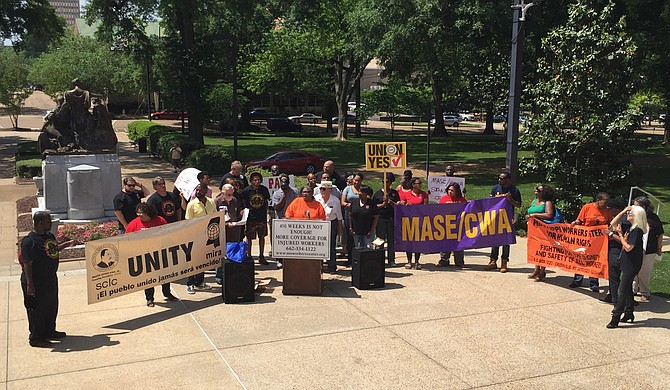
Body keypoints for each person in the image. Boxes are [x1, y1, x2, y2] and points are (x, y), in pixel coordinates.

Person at [20, 211, 74, 348]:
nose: (51, 223)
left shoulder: (48, 236)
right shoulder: (29, 241)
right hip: (35, 282)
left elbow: (53, 249)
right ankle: (36, 338)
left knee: (51, 306)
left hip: (49, 279)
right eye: (48, 221)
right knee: (37, 311)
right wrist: (30, 285)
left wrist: (66, 244)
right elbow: (27, 264)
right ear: (39, 223)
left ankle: (49, 331)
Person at [125, 203, 177, 306]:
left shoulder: (160, 220)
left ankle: (167, 293)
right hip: (144, 255)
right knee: (148, 278)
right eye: (137, 213)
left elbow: (168, 234)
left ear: (148, 213)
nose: (139, 215)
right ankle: (149, 298)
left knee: (165, 276)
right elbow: (127, 239)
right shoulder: (134, 224)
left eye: (141, 213)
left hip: (160, 253)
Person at [606, 205, 647, 328]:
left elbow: (629, 247)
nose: (628, 214)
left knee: (621, 290)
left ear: (637, 216)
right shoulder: (631, 228)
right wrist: (624, 211)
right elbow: (612, 224)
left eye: (631, 213)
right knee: (627, 287)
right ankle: (629, 312)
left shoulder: (637, 230)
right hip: (626, 261)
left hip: (632, 263)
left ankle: (615, 317)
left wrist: (618, 235)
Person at [146, 177, 181, 301]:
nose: (163, 186)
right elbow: (149, 217)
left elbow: (177, 209)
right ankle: (150, 297)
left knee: (167, 266)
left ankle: (167, 293)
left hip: (170, 234)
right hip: (157, 236)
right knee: (151, 268)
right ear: (155, 187)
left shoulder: (171, 196)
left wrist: (178, 223)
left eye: (164, 184)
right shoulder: (152, 200)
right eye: (160, 184)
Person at [570, 192, 612, 291]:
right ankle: (577, 280)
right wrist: (575, 223)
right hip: (585, 240)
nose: (606, 205)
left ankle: (594, 284)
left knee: (595, 261)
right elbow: (579, 220)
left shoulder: (607, 212)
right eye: (604, 202)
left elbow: (610, 224)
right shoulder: (587, 207)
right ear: (598, 200)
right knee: (581, 259)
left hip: (599, 242)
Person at [486, 172, 521, 273]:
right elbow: (489, 201)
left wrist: (510, 200)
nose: (500, 180)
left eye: (502, 179)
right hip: (496, 218)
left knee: (506, 241)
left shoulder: (514, 190)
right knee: (495, 240)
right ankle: (493, 261)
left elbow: (518, 205)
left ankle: (504, 262)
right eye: (499, 178)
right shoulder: (495, 188)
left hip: (507, 218)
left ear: (508, 180)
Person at [184, 183, 216, 294]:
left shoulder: (211, 202)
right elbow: (188, 221)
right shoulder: (191, 204)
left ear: (205, 191)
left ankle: (200, 282)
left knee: (203, 261)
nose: (197, 192)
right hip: (195, 237)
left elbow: (215, 217)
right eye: (196, 190)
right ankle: (190, 284)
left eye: (199, 190)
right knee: (193, 261)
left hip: (208, 236)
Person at [632, 196, 665, 302]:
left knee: (644, 271)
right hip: (634, 248)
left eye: (636, 206)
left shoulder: (653, 218)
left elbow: (660, 234)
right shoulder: (634, 216)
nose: (634, 208)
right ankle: (633, 289)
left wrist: (659, 248)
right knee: (633, 269)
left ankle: (644, 292)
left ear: (644, 207)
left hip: (649, 249)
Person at [600, 197, 629, 305]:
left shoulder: (624, 221)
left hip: (617, 251)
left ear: (617, 209)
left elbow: (624, 240)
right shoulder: (620, 219)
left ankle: (617, 300)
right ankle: (612, 295)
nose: (609, 211)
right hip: (613, 249)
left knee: (614, 276)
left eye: (610, 209)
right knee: (612, 275)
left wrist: (611, 234)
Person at [525, 184, 557, 281]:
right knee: (535, 249)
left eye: (538, 190)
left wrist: (534, 215)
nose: (536, 191)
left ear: (543, 192)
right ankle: (536, 269)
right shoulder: (534, 201)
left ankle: (542, 271)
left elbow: (549, 215)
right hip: (533, 229)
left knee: (543, 250)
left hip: (544, 230)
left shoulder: (547, 203)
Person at [214, 183, 244, 282]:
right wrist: (226, 223)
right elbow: (214, 218)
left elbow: (237, 215)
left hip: (234, 230)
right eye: (228, 194)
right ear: (222, 193)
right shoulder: (217, 201)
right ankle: (219, 276)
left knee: (233, 251)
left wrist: (241, 214)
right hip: (223, 230)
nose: (230, 196)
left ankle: (232, 273)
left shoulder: (235, 200)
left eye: (232, 194)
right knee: (222, 253)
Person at [241, 171, 271, 264]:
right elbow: (243, 202)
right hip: (251, 218)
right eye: (255, 180)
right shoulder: (247, 190)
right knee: (249, 238)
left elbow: (267, 201)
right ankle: (249, 256)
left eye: (258, 180)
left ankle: (261, 256)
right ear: (251, 181)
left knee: (262, 237)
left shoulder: (264, 189)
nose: (257, 181)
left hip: (261, 217)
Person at [269, 174, 298, 269]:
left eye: (285, 184)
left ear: (289, 183)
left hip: (292, 220)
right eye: (282, 184)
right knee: (280, 241)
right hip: (280, 219)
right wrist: (284, 196)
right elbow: (277, 207)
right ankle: (279, 260)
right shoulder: (276, 193)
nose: (284, 186)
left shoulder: (295, 191)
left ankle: (290, 260)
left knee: (291, 241)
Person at [400, 177, 428, 269]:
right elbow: (402, 205)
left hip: (419, 221)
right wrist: (405, 204)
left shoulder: (423, 194)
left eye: (420, 183)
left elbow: (425, 207)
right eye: (418, 183)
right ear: (413, 185)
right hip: (408, 221)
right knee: (409, 242)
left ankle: (417, 261)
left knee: (417, 242)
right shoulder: (407, 194)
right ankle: (409, 261)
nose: (419, 185)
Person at [316, 181, 344, 273]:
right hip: (319, 225)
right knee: (319, 246)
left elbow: (339, 217)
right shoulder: (316, 199)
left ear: (329, 190)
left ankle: (332, 266)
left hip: (331, 224)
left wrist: (340, 230)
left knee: (331, 246)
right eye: (320, 189)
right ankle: (319, 266)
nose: (321, 190)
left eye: (323, 189)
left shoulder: (335, 200)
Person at [438, 183, 468, 268]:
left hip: (458, 225)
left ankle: (459, 262)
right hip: (446, 225)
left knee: (458, 243)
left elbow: (466, 210)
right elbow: (438, 211)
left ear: (457, 191)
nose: (450, 192)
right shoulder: (444, 199)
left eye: (452, 190)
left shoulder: (462, 200)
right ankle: (444, 260)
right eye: (449, 190)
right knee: (445, 243)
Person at [373, 172, 400, 267]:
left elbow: (398, 205)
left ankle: (391, 260)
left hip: (391, 218)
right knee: (380, 239)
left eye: (387, 182)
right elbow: (374, 207)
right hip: (380, 219)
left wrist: (390, 202)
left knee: (391, 240)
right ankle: (379, 259)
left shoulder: (394, 193)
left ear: (390, 183)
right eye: (384, 181)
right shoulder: (377, 194)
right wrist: (382, 205)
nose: (386, 183)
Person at [341, 172, 364, 266]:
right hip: (349, 216)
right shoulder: (347, 189)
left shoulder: (364, 189)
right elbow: (342, 202)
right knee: (350, 237)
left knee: (360, 237)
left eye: (358, 181)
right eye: (355, 180)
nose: (356, 182)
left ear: (361, 181)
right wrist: (349, 205)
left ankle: (361, 258)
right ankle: (350, 259)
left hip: (361, 217)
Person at [349, 185, 379, 249]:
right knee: (358, 249)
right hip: (356, 231)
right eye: (359, 191)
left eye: (362, 192)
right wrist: (351, 227)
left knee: (367, 250)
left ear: (366, 194)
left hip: (368, 232)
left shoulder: (372, 204)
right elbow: (350, 215)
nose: (359, 193)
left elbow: (376, 217)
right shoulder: (354, 202)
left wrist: (371, 230)